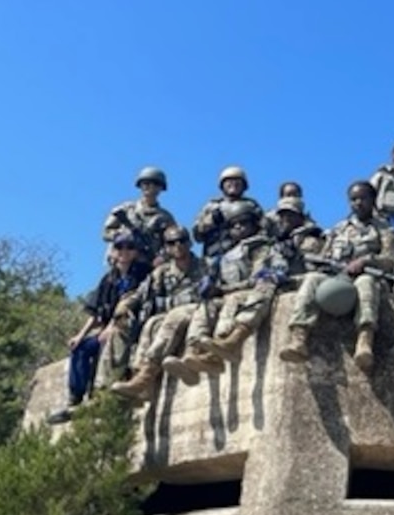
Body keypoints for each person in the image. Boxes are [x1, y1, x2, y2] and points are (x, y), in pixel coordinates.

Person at [279, 181, 394, 372]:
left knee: (366, 284)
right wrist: (321, 263)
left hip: (365, 276)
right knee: (311, 280)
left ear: (373, 200)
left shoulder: (384, 229)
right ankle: (299, 337)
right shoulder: (339, 229)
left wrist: (366, 261)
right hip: (335, 275)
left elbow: (390, 260)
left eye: (363, 198)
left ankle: (364, 341)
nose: (358, 203)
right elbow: (324, 256)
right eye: (353, 199)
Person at [47, 232, 153, 423]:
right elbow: (96, 313)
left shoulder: (142, 273)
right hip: (106, 328)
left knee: (111, 339)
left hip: (130, 326)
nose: (124, 251)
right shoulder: (108, 279)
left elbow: (129, 304)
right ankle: (76, 397)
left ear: (136, 252)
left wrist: (112, 326)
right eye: (120, 246)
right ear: (113, 251)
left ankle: (107, 389)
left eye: (129, 247)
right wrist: (80, 335)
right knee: (80, 347)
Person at [176, 202, 286, 376]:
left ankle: (231, 341)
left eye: (244, 223)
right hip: (230, 293)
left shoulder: (263, 247)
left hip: (250, 294)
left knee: (239, 297)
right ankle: (195, 351)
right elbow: (212, 282)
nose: (239, 227)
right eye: (234, 225)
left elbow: (260, 277)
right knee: (206, 305)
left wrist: (224, 289)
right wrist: (210, 288)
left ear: (254, 225)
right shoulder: (225, 256)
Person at [110, 225, 207, 399]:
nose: (177, 246)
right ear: (166, 247)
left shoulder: (203, 265)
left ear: (190, 243)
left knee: (172, 318)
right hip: (171, 313)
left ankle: (145, 377)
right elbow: (141, 293)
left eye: (182, 241)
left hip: (197, 309)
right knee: (150, 324)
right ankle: (141, 376)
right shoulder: (162, 272)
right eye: (172, 243)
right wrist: (125, 305)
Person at [101, 166, 177, 265]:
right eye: (145, 183)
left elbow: (174, 243)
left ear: (161, 188)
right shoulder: (126, 209)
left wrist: (162, 257)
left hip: (148, 265)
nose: (150, 187)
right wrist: (122, 235)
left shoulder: (166, 218)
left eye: (155, 184)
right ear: (140, 185)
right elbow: (106, 233)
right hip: (122, 262)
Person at [192, 166, 265, 261]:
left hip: (245, 256)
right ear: (222, 185)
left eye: (237, 181)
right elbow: (197, 235)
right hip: (214, 257)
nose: (233, 184)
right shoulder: (211, 206)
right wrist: (210, 220)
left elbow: (264, 230)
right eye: (229, 181)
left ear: (244, 185)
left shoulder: (252, 206)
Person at [267, 196, 325, 277]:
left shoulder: (312, 240)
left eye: (290, 215)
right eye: (282, 215)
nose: (285, 219)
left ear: (300, 217)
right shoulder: (276, 242)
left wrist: (295, 251)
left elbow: (315, 269)